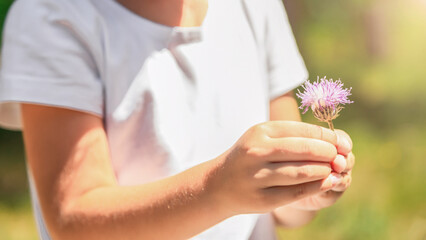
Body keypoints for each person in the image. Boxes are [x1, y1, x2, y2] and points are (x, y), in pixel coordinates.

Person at [0, 0, 355, 239]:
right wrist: (217, 189)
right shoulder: (52, 16)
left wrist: (302, 190)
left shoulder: (255, 6)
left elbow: (285, 212)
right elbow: (73, 219)